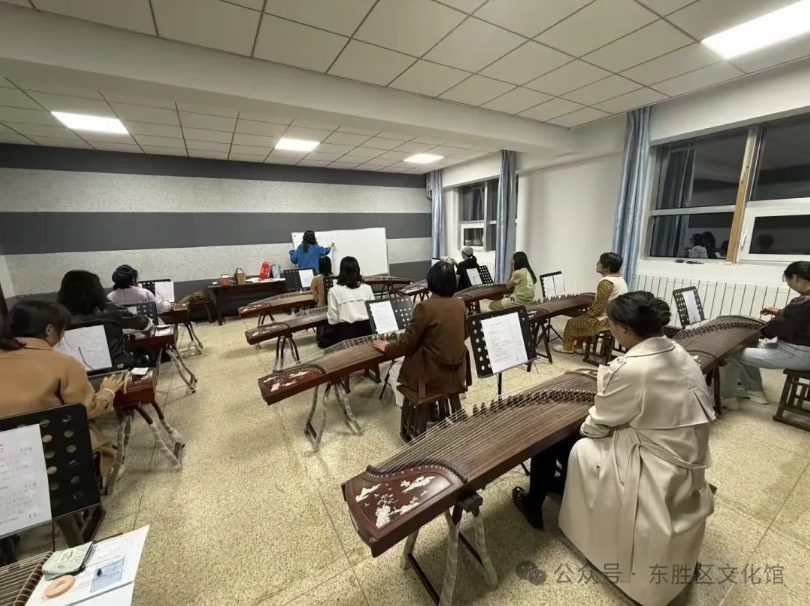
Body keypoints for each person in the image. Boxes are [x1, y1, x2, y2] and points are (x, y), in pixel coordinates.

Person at [513, 292, 715, 606]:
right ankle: (561, 485)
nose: (608, 325)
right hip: (684, 455)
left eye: (611, 322)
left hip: (652, 463)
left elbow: (599, 423)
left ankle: (534, 501)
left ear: (624, 329)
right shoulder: (676, 350)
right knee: (573, 440)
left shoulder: (633, 367)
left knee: (558, 439)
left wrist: (583, 426)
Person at [0, 300, 123, 479]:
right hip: (57, 459)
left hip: (7, 465)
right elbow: (86, 409)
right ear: (49, 329)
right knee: (89, 432)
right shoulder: (64, 363)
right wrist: (107, 391)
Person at [373, 262, 468, 407]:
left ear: (431, 282)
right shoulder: (460, 304)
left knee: (395, 369)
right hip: (457, 374)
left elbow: (407, 344)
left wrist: (388, 347)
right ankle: (435, 409)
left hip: (432, 378)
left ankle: (408, 409)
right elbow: (464, 334)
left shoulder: (424, 307)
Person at [722, 261, 810, 407]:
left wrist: (756, 330)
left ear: (795, 277)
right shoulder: (804, 302)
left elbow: (779, 327)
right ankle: (755, 391)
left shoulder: (802, 302)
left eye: (787, 279)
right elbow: (801, 319)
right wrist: (781, 312)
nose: (789, 283)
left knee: (730, 352)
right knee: (750, 344)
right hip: (802, 350)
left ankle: (726, 397)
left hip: (798, 355)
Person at [57, 270, 152, 369]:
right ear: (96, 290)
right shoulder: (111, 310)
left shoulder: (58, 314)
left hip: (73, 370)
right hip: (116, 367)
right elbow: (144, 324)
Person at [553, 252, 628, 354]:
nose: (597, 264)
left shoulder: (606, 282)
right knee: (581, 318)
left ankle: (567, 348)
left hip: (606, 321)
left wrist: (587, 315)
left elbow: (599, 307)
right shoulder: (619, 279)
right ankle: (578, 346)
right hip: (616, 318)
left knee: (572, 322)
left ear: (607, 268)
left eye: (600, 262)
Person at [325, 256, 375, 345]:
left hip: (345, 333)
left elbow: (332, 319)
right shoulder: (367, 288)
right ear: (358, 270)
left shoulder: (333, 291)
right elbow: (373, 312)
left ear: (341, 271)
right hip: (368, 331)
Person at [107, 264, 171, 313]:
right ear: (133, 279)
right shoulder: (145, 293)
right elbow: (159, 308)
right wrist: (168, 304)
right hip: (144, 325)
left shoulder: (110, 297)